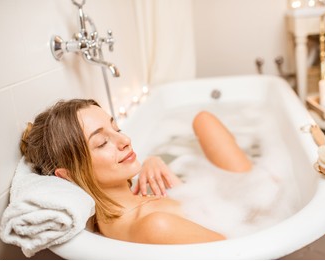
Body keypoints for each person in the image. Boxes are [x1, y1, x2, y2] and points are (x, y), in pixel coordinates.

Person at [20, 99, 252, 244]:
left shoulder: (136, 204)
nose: (125, 140)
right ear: (68, 175)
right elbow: (238, 256)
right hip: (250, 215)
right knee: (205, 120)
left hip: (234, 205)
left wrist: (153, 165)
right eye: (102, 143)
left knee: (203, 120)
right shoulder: (153, 225)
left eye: (117, 128)